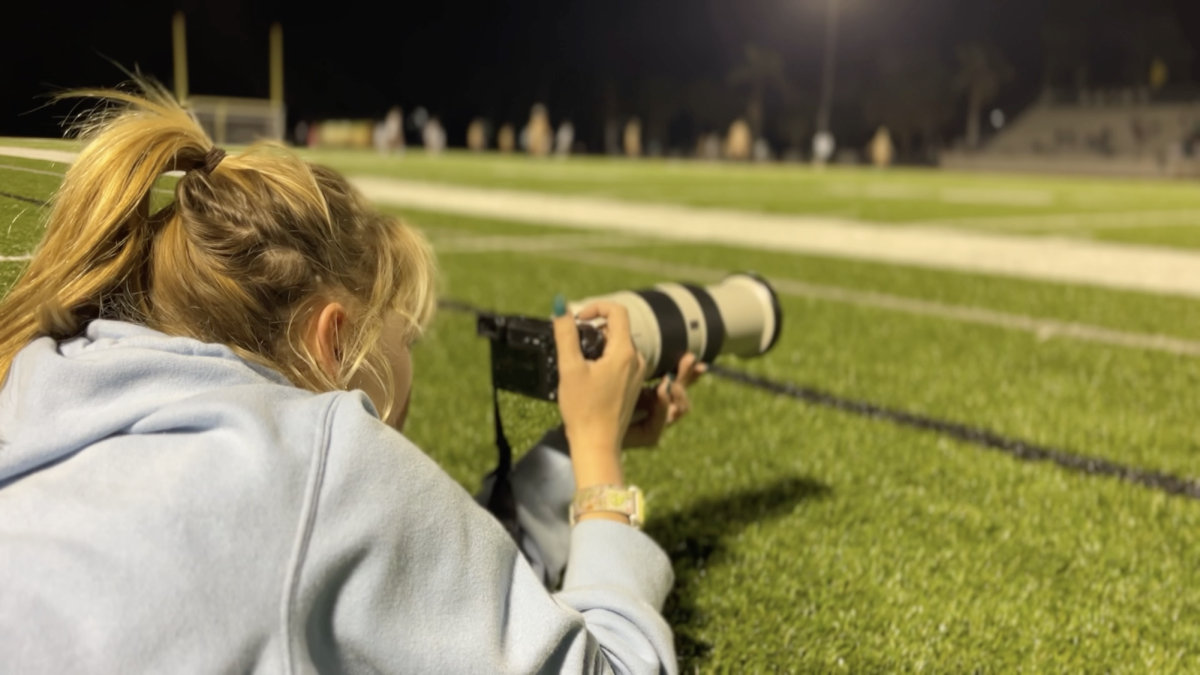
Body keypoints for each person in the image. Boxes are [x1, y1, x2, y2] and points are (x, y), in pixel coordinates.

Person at [0, 82, 704, 673]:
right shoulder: (319, 451)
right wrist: (601, 470)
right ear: (331, 342)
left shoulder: (40, 378)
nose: (412, 357)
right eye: (405, 332)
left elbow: (396, 589)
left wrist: (570, 453)